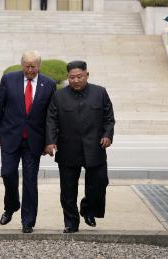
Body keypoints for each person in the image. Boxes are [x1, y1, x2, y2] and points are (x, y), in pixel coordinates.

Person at [0, 50, 56, 233]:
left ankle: (28, 221)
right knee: (7, 174)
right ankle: (11, 206)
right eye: (27, 66)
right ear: (21, 65)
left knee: (30, 181)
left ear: (39, 66)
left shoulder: (48, 84)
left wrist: (50, 141)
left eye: (33, 66)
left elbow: (51, 116)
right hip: (10, 137)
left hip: (34, 141)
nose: (30, 70)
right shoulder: (9, 80)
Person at [45, 60, 115, 233]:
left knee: (99, 184)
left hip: (95, 147)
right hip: (68, 148)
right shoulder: (59, 96)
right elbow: (51, 120)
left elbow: (109, 118)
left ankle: (88, 209)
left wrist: (107, 135)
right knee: (68, 190)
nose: (76, 80)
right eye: (72, 77)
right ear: (68, 77)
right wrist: (50, 141)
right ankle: (71, 223)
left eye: (79, 77)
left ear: (87, 75)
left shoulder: (100, 92)